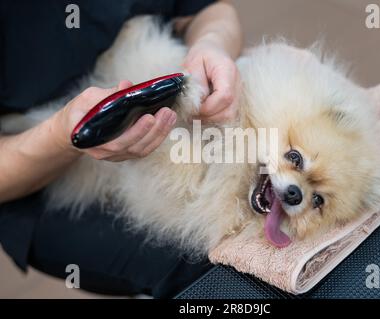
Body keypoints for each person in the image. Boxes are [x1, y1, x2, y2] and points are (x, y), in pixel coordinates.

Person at [0, 0, 242, 298]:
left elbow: (210, 9)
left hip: (176, 92)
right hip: (45, 182)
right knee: (215, 274)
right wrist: (62, 134)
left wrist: (211, 44)